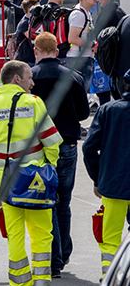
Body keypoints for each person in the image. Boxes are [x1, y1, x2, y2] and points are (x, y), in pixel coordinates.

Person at [0, 60, 62, 286]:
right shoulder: (33, 103)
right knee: (42, 234)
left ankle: (20, 284)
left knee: (15, 236)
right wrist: (48, 168)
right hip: (36, 182)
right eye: (29, 77)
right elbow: (51, 142)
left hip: (6, 185)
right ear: (16, 79)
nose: (32, 82)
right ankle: (42, 281)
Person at [30, 32, 89, 278]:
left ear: (36, 51)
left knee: (46, 203)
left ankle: (52, 258)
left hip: (38, 147)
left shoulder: (28, 77)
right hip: (67, 144)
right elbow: (84, 113)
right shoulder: (73, 77)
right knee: (63, 202)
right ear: (57, 50)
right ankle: (63, 253)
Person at [83, 70, 130, 278]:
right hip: (113, 182)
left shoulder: (108, 110)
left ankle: (109, 275)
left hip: (113, 184)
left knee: (110, 236)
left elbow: (89, 148)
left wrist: (97, 178)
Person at [14, 0, 40, 65]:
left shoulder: (29, 21)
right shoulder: (25, 23)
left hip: (29, 59)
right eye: (37, 8)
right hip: (26, 60)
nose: (39, 11)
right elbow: (33, 38)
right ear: (29, 10)